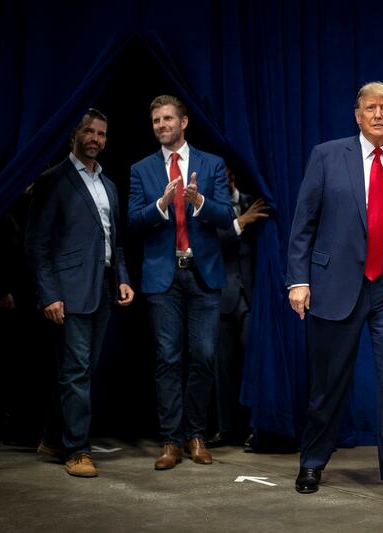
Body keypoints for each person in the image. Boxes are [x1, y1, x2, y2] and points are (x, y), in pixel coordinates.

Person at [287, 82, 383, 504]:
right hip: (335, 286)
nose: (377, 114)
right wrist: (298, 280)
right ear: (356, 114)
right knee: (328, 384)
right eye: (370, 107)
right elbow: (304, 224)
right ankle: (312, 462)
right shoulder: (327, 156)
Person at [25, 109, 134, 478]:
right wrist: (50, 294)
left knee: (81, 370)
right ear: (75, 134)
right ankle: (76, 450)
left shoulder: (109, 185)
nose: (95, 139)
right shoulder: (53, 180)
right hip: (68, 292)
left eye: (102, 134)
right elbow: (37, 245)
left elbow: (114, 241)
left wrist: (122, 277)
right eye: (89, 131)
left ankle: (52, 438)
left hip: (102, 287)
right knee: (76, 371)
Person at [128, 95, 234, 470]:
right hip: (163, 276)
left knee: (203, 357)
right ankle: (171, 441)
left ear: (184, 122)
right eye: (155, 120)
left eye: (167, 118)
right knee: (168, 359)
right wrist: (160, 205)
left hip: (203, 274)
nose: (161, 125)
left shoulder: (212, 164)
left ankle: (196, 435)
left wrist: (199, 200)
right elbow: (133, 221)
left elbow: (225, 216)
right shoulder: (142, 169)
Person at [209, 167, 268, 449]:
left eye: (227, 174)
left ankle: (257, 426)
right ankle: (226, 428)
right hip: (222, 295)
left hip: (252, 294)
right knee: (223, 366)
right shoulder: (209, 205)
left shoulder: (254, 200)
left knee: (254, 363)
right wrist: (242, 221)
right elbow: (212, 242)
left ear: (233, 175)